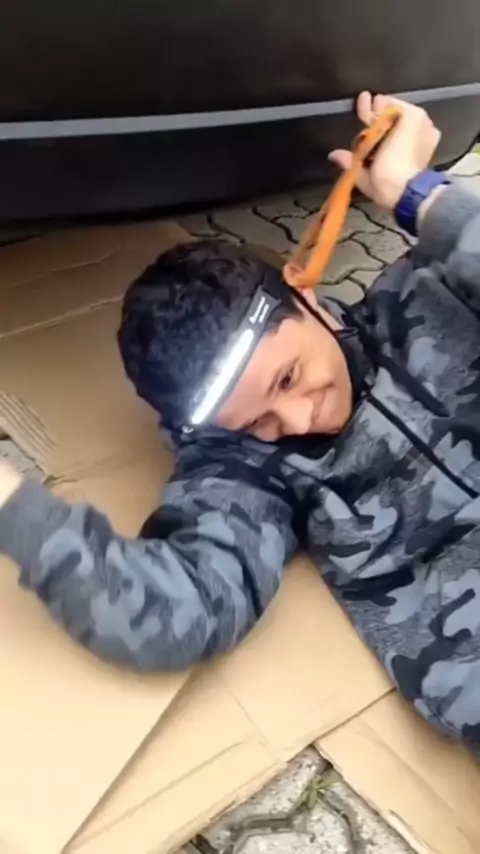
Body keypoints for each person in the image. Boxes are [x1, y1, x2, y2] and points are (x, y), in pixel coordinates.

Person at [1, 93, 480, 751]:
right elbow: (177, 612)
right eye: (255, 421)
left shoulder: (427, 296)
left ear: (308, 298)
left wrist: (414, 193)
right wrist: (14, 508)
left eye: (287, 377)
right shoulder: (246, 472)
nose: (297, 419)